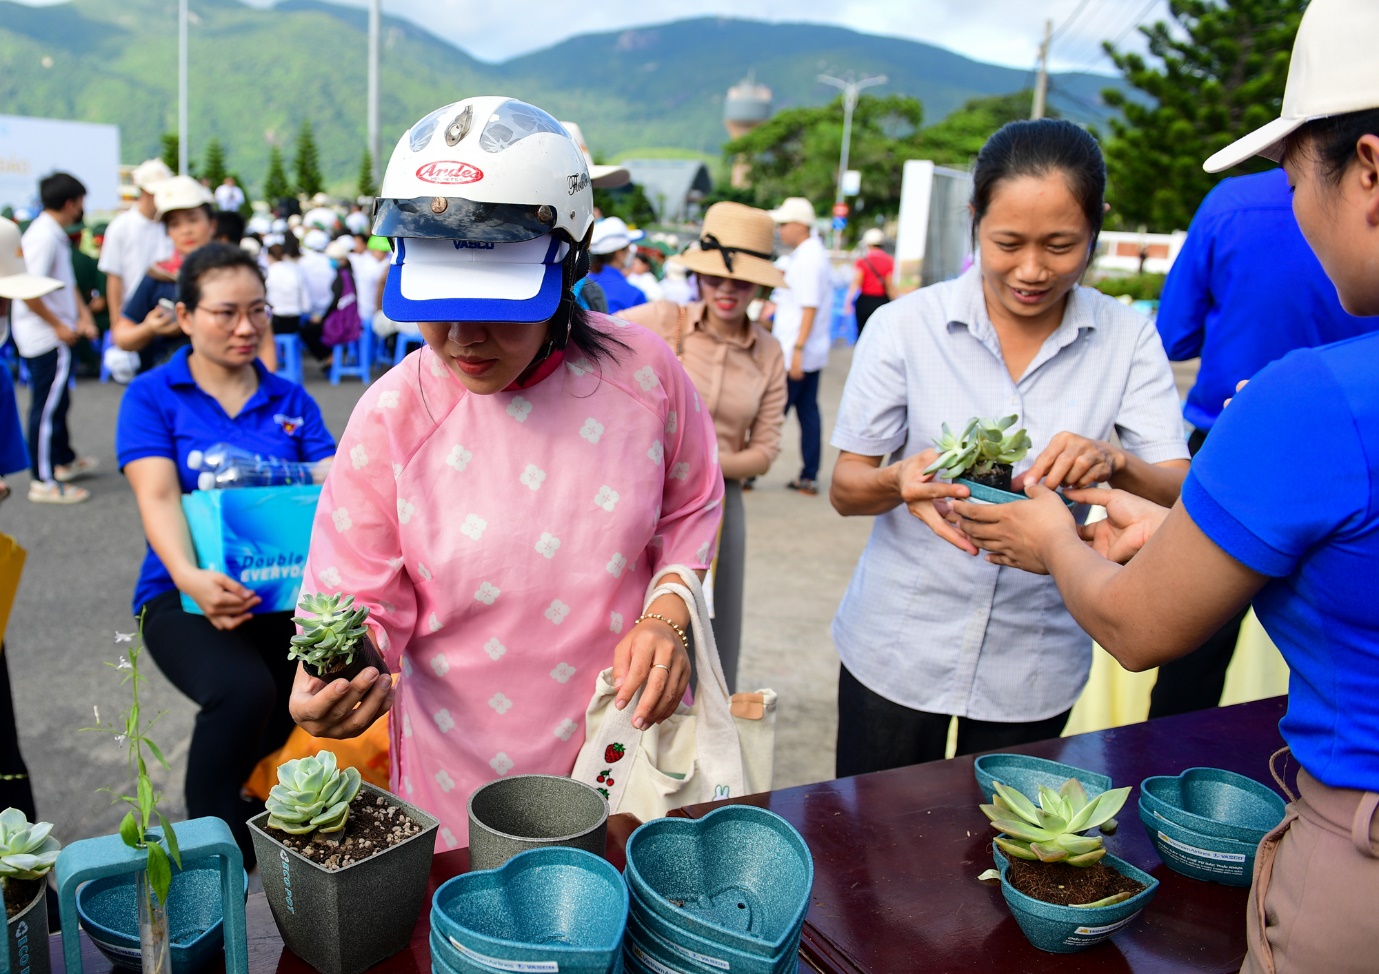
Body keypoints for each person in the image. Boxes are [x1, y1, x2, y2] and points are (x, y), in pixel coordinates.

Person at [953, 6, 1379, 968]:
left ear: (1366, 169)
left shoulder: (1313, 398)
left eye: (1289, 174)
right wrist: (1177, 530)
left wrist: (1053, 539)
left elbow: (1140, 631)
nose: (1287, 207)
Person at [286, 96, 723, 847]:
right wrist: (333, 678)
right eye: (436, 305)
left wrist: (666, 614)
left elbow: (692, 507)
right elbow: (354, 593)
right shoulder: (394, 415)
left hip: (620, 740)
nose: (462, 338)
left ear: (570, 259)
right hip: (457, 767)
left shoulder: (644, 377)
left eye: (495, 305)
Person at [827, 119, 1189, 777]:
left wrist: (1116, 461)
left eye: (1059, 245)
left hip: (1035, 660)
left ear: (1096, 227)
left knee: (992, 854)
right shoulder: (905, 327)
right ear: (974, 220)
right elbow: (846, 489)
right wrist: (900, 480)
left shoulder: (1126, 338)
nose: (1030, 270)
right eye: (1006, 242)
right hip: (899, 645)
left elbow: (1176, 489)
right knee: (872, 850)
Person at [115, 242, 336, 865]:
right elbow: (156, 496)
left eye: (258, 310)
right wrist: (192, 577)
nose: (246, 327)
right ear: (184, 316)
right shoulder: (155, 395)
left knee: (324, 688)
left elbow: (338, 487)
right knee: (242, 692)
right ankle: (211, 856)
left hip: (283, 594)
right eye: (225, 312)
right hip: (180, 592)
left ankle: (260, 803)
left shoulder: (291, 400)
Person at [1146, 166, 1374, 719]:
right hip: (1360, 461)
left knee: (1188, 655)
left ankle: (1173, 791)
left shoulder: (1232, 202)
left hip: (1225, 447)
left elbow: (1174, 333)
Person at [622, 202, 788, 692]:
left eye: (740, 280)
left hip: (722, 507)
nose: (727, 289)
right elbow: (585, 346)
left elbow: (765, 450)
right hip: (639, 497)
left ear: (759, 285)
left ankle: (696, 755)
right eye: (715, 278)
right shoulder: (660, 319)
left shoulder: (769, 351)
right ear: (698, 277)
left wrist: (697, 467)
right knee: (627, 619)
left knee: (711, 637)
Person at [11, 172, 100, 504]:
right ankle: (43, 480)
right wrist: (59, 325)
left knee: (58, 400)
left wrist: (83, 315)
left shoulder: (53, 234)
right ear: (71, 203)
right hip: (46, 334)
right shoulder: (43, 237)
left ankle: (61, 460)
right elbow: (27, 290)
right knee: (46, 407)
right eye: (81, 202)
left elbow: (65, 283)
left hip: (56, 328)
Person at [115, 176, 216, 374]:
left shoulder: (231, 275)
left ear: (212, 224)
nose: (185, 230)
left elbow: (261, 338)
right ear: (168, 232)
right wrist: (150, 328)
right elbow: (122, 337)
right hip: (163, 390)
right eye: (175, 224)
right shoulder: (158, 276)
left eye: (193, 220)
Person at [767, 197, 833, 496]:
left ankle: (750, 471)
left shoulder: (808, 259)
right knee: (807, 413)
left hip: (798, 352)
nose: (780, 230)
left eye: (783, 224)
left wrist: (797, 352)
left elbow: (809, 307)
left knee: (773, 412)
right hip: (806, 352)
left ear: (799, 225)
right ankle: (809, 475)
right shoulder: (808, 255)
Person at [102, 159, 174, 339]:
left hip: (168, 312)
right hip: (133, 314)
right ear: (143, 191)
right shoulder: (121, 226)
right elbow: (114, 277)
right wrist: (116, 323)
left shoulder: (170, 225)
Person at [587, 217, 649, 314]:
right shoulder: (634, 295)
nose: (631, 252)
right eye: (628, 248)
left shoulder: (580, 284)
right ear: (619, 253)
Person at [845, 227, 893, 337]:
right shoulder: (888, 260)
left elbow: (856, 282)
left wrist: (848, 301)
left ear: (868, 244)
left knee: (862, 335)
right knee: (879, 336)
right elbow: (889, 285)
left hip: (864, 301)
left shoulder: (863, 261)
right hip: (882, 302)